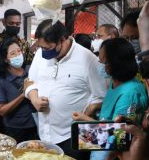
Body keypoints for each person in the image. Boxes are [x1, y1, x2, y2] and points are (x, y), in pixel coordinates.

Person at [25, 19, 107, 159]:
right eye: (41, 47)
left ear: (63, 39)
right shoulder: (40, 54)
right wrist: (34, 99)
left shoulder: (88, 60)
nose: (43, 52)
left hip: (74, 134)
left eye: (47, 48)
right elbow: (30, 81)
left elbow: (101, 95)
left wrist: (85, 115)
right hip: (45, 131)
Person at [72, 38, 149, 160]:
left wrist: (85, 124)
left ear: (116, 64)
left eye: (103, 63)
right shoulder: (115, 83)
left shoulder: (130, 93)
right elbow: (110, 119)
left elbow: (119, 137)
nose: (100, 65)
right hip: (100, 150)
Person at [108, 0, 149, 160]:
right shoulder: (139, 67)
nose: (130, 44)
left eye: (135, 38)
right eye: (126, 38)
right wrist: (141, 121)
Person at [0, 37, 37, 143]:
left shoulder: (32, 69)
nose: (18, 55)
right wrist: (23, 95)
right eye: (12, 53)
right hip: (16, 130)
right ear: (5, 59)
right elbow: (2, 110)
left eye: (19, 51)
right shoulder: (1, 80)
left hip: (36, 124)